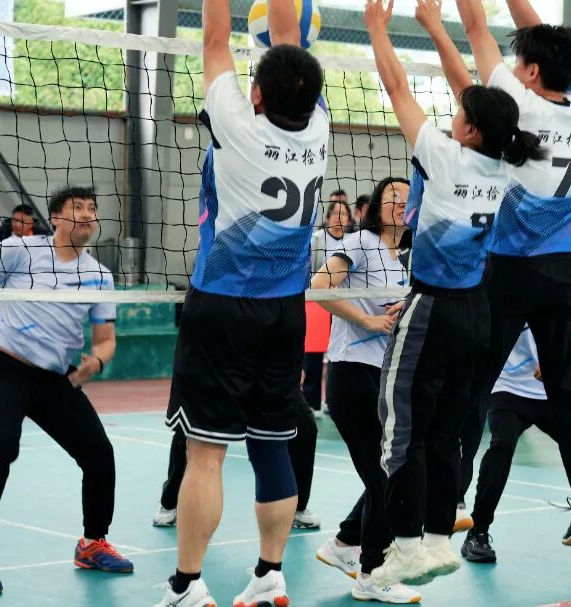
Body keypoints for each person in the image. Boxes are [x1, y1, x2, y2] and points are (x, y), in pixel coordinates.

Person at [363, 0, 545, 590]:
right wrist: (435, 28)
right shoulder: (508, 168)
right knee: (447, 431)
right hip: (475, 314)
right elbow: (475, 96)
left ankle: (407, 546)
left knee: (400, 429)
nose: (454, 110)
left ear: (469, 129)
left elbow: (396, 87)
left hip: (430, 309)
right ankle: (439, 536)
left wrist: (376, 28)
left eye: (460, 112)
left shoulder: (443, 157)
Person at [155, 0, 330, 604]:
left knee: (205, 455)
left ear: (256, 93)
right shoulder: (318, 128)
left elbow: (213, 41)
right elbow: (280, 37)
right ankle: (269, 574)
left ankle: (187, 584)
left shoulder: (238, 125)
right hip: (285, 313)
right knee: (273, 444)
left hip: (222, 307)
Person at [457, 0, 571, 548]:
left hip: (510, 271)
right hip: (562, 273)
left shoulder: (517, 101)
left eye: (523, 61)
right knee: (568, 394)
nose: (516, 66)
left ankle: (454, 496)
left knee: (475, 385)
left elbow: (474, 26)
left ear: (532, 71)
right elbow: (541, 36)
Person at [0, 186, 131, 594]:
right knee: (0, 446)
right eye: (77, 208)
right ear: (56, 217)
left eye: (92, 209)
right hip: (5, 367)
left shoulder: (100, 275)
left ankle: (92, 543)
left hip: (55, 378)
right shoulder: (21, 250)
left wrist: (96, 362)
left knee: (99, 454)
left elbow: (105, 340)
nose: (87, 214)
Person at [460, 297, 571, 564]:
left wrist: (557, 357)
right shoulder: (501, 289)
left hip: (556, 389)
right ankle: (477, 532)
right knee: (501, 446)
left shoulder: (563, 286)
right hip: (509, 388)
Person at [310, 175, 418, 602]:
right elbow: (319, 287)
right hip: (351, 373)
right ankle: (371, 574)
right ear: (376, 206)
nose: (400, 203)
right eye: (392, 197)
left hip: (382, 376)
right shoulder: (361, 242)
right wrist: (367, 320)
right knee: (385, 476)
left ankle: (343, 544)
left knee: (387, 471)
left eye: (408, 199)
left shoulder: (403, 261)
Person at [152, 399, 321, 530]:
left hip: (266, 372)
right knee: (193, 431)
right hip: (224, 373)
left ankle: (297, 509)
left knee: (305, 426)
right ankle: (169, 502)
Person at [306, 198, 355, 417]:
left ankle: (332, 401)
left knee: (338, 350)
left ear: (349, 219)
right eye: (335, 213)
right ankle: (311, 401)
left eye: (343, 214)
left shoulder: (354, 241)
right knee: (313, 354)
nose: (339, 217)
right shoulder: (317, 239)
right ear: (327, 218)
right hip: (318, 303)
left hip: (343, 303)